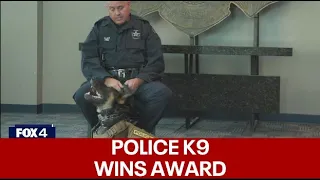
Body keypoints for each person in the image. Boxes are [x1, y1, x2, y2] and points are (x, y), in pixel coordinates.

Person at [73, 1, 172, 134]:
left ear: (128, 5)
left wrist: (139, 80)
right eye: (112, 9)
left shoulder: (143, 27)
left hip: (137, 81)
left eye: (121, 8)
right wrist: (106, 79)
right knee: (80, 96)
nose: (117, 13)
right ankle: (102, 129)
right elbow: (89, 59)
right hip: (108, 83)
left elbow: (156, 61)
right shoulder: (100, 28)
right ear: (107, 8)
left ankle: (139, 131)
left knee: (162, 94)